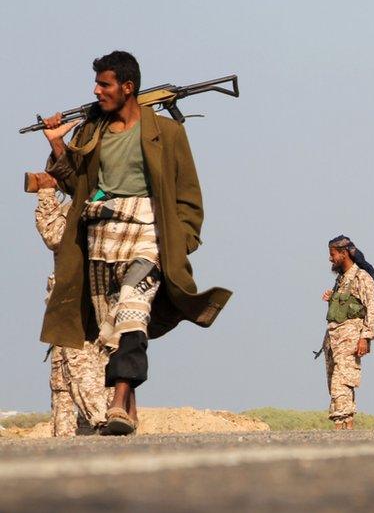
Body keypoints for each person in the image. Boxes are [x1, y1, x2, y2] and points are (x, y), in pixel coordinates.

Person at [39, 51, 232, 436]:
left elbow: (188, 195)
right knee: (112, 325)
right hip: (101, 239)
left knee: (132, 306)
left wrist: (181, 242)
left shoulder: (167, 133)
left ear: (128, 87)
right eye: (96, 84)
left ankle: (118, 394)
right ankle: (126, 410)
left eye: (105, 84)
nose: (97, 92)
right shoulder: (90, 132)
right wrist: (58, 145)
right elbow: (75, 185)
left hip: (148, 234)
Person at [29, 172, 112, 436]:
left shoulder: (97, 208)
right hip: (68, 306)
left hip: (85, 308)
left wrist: (46, 194)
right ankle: (68, 442)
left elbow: (54, 234)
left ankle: (106, 428)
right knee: (63, 382)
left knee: (84, 373)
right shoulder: (83, 207)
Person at [322, 235, 374, 430]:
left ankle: (341, 426)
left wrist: (365, 337)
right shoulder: (341, 280)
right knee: (335, 382)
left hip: (350, 337)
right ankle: (346, 425)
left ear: (344, 253)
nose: (330, 259)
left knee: (342, 381)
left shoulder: (361, 277)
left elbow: (370, 308)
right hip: (333, 339)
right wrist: (331, 298)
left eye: (333, 254)